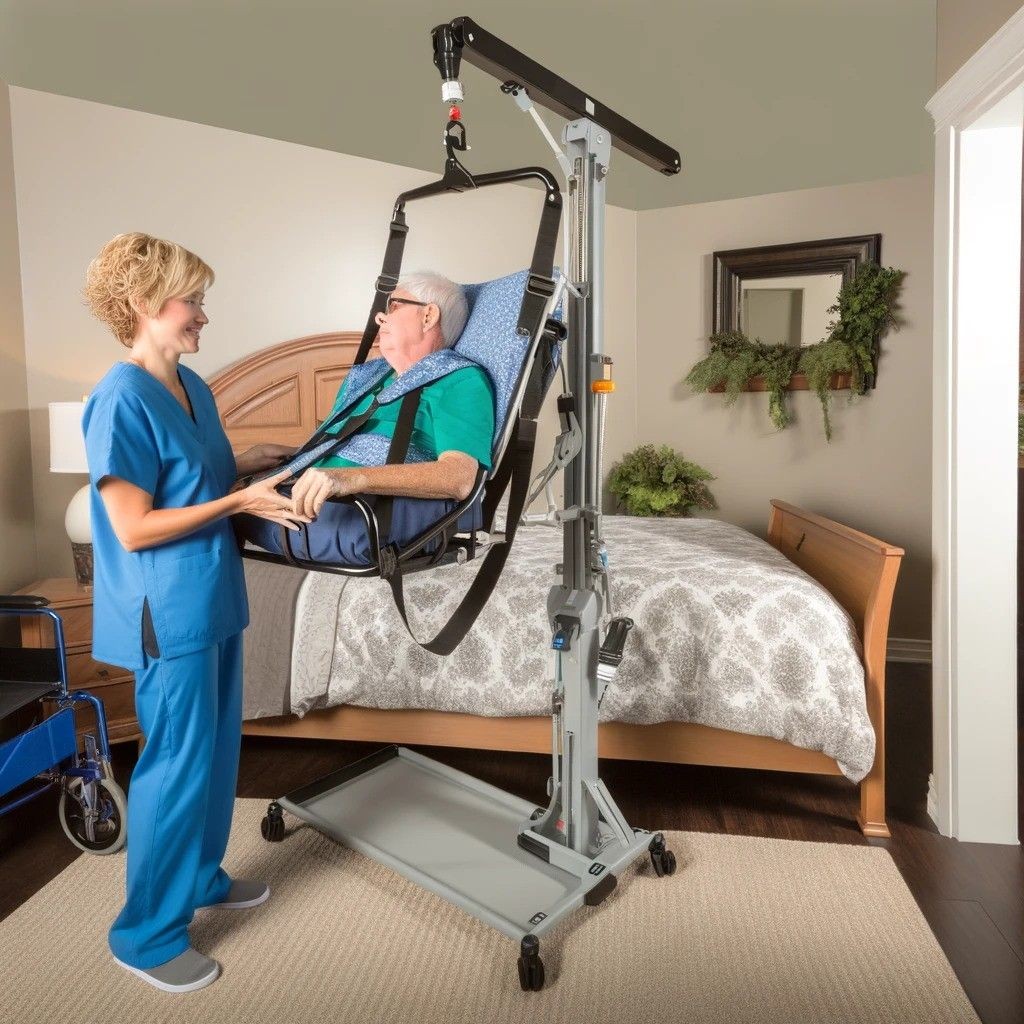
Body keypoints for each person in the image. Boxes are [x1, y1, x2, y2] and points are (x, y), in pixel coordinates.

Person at [82, 232, 308, 994]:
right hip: (165, 609)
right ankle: (144, 934)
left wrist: (251, 462)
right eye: (194, 300)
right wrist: (241, 499)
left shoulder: (196, 387)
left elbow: (194, 474)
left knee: (213, 757)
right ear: (145, 304)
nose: (204, 315)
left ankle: (202, 877)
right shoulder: (118, 399)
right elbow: (135, 526)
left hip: (214, 595)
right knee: (173, 767)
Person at [234, 272, 495, 563]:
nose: (380, 318)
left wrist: (349, 479)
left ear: (428, 316)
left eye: (394, 306)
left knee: (210, 509)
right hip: (301, 497)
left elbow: (459, 477)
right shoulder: (366, 379)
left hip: (356, 512)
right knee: (204, 495)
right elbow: (345, 453)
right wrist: (296, 455)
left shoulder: (460, 382)